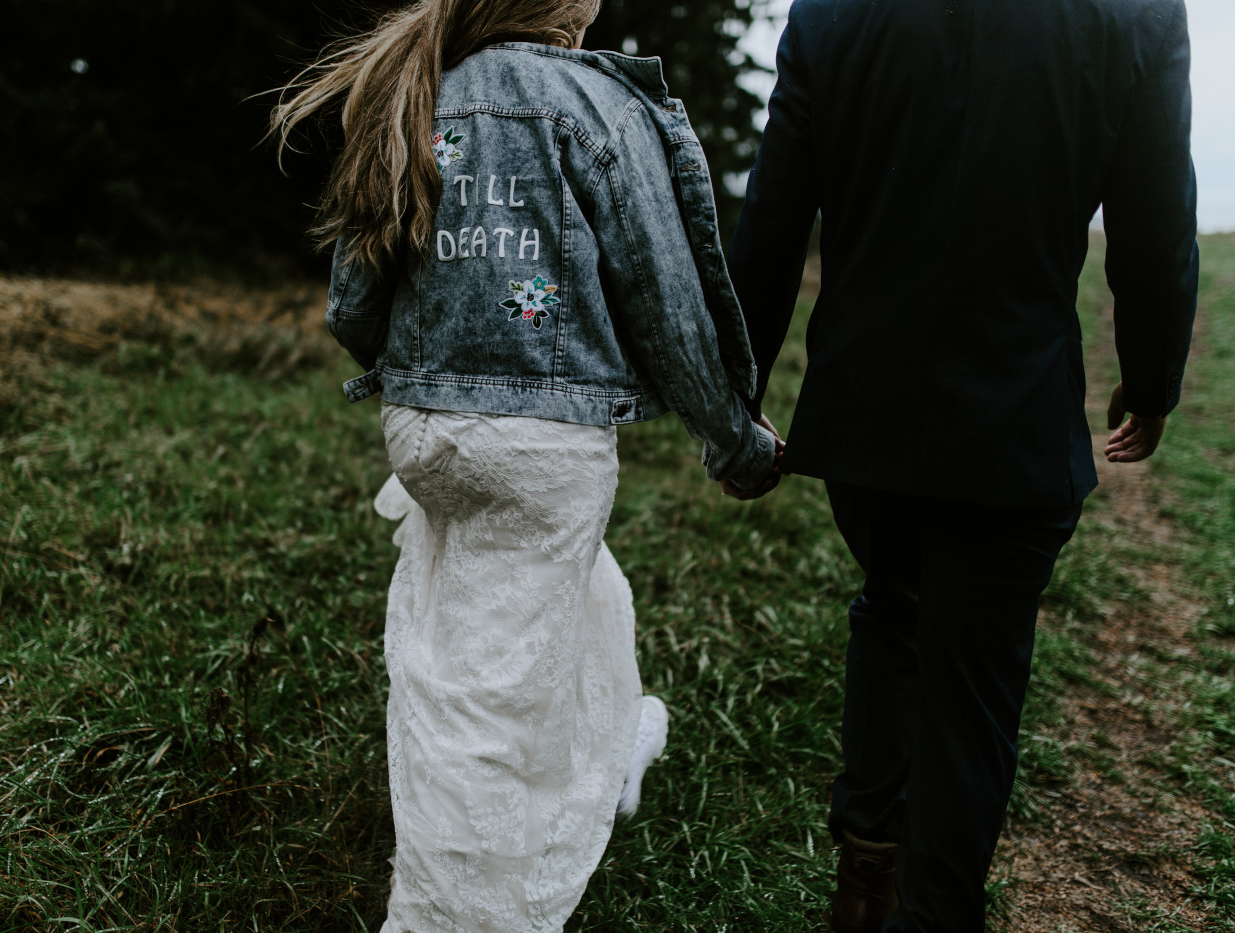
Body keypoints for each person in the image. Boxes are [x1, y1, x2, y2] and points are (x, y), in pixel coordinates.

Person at [270, 1, 781, 929]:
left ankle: (610, 747)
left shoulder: (419, 96)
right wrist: (736, 440)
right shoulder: (594, 106)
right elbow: (669, 311)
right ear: (567, 12)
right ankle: (447, 911)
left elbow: (352, 303)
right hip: (539, 448)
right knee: (486, 698)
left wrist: (430, 368)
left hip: (423, 434)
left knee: (567, 602)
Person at [724, 1, 1199, 931]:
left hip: (864, 425)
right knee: (972, 696)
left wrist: (731, 398)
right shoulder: (1136, 14)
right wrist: (1151, 377)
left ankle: (865, 885)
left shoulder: (834, 11)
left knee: (893, 611)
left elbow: (772, 218)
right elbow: (1155, 219)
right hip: (1013, 427)